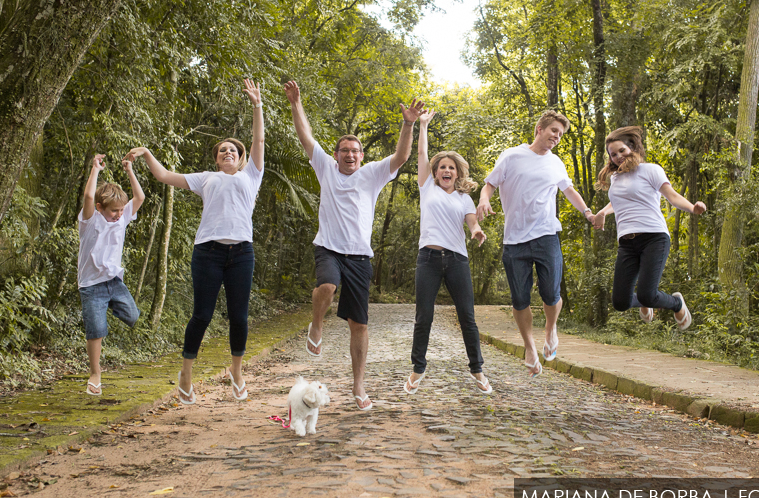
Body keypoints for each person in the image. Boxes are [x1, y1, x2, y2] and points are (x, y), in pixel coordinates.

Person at [283, 79, 422, 411]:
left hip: (360, 256)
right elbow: (305, 136)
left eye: (355, 151)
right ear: (336, 155)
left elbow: (401, 157)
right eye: (344, 150)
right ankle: (316, 324)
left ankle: (359, 387)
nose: (349, 155)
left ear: (361, 156)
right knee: (327, 285)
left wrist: (408, 123)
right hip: (328, 247)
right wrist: (295, 103)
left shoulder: (373, 173)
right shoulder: (326, 169)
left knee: (359, 324)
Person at [124, 79, 264, 404]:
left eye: (233, 149)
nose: (228, 152)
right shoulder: (206, 179)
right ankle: (185, 374)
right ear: (216, 159)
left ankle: (237, 372)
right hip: (208, 253)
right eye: (222, 150)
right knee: (202, 314)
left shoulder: (250, 176)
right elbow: (163, 176)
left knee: (239, 316)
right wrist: (146, 153)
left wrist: (257, 105)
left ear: (242, 158)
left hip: (242, 253)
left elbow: (258, 139)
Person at [476, 110, 594, 378]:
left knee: (551, 293)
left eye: (561, 134)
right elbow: (489, 185)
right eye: (554, 131)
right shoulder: (512, 155)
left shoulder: (556, 163)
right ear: (539, 129)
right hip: (515, 239)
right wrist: (484, 200)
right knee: (519, 299)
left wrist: (587, 212)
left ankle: (551, 328)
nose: (557, 137)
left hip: (546, 234)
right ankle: (529, 347)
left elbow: (569, 191)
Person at [404, 110, 492, 396]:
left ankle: (477, 369)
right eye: (441, 166)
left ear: (458, 172)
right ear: (435, 172)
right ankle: (418, 368)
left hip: (456, 261)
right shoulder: (426, 187)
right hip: (427, 260)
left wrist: (476, 231)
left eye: (451, 168)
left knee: (467, 316)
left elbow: (472, 222)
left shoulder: (464, 198)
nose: (446, 170)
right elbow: (421, 153)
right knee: (423, 316)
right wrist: (423, 125)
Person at [592, 126, 706, 331]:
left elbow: (672, 196)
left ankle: (677, 304)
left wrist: (692, 208)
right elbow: (619, 201)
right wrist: (602, 213)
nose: (618, 156)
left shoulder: (651, 170)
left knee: (647, 294)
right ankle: (646, 303)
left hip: (654, 237)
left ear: (632, 147)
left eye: (621, 151)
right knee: (620, 302)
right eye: (613, 154)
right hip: (627, 242)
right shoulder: (615, 178)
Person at [78, 153, 146, 395]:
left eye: (121, 210)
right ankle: (95, 375)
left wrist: (129, 169)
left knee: (133, 317)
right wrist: (95, 168)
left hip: (115, 282)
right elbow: (88, 195)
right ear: (100, 208)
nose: (118, 214)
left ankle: (106, 308)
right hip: (92, 285)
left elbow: (140, 197)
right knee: (96, 330)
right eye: (114, 210)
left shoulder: (123, 218)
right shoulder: (89, 221)